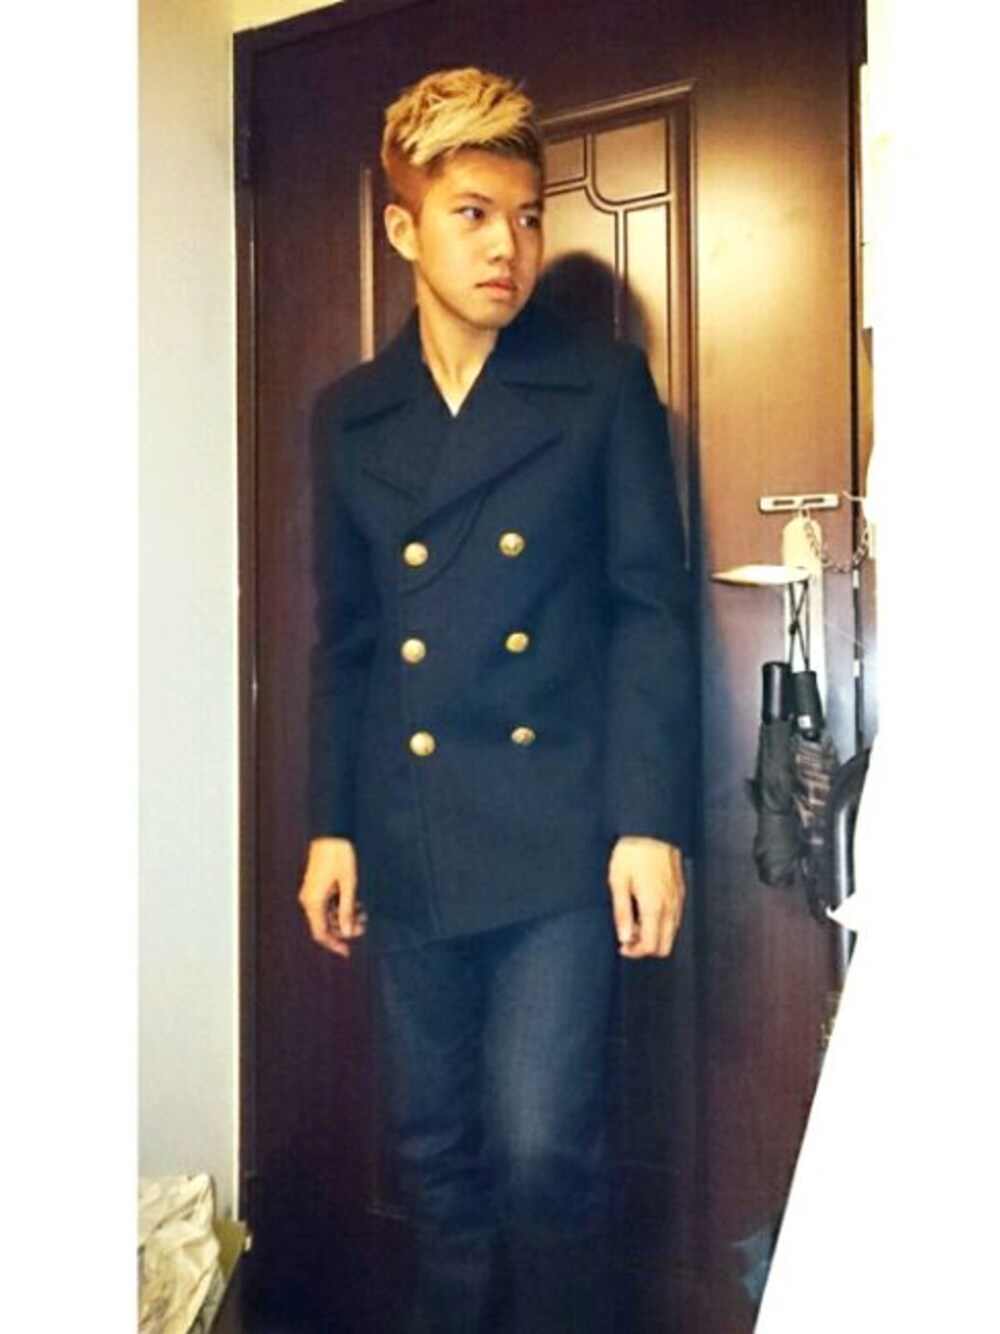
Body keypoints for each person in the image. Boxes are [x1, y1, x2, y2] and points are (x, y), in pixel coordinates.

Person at [298, 66, 697, 1334]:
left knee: (541, 1148)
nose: (507, 247)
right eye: (471, 213)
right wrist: (331, 822)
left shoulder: (599, 386)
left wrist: (649, 820)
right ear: (402, 226)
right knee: (436, 1153)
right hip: (408, 828)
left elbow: (649, 609)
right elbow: (349, 642)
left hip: (557, 833)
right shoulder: (351, 416)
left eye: (527, 217)